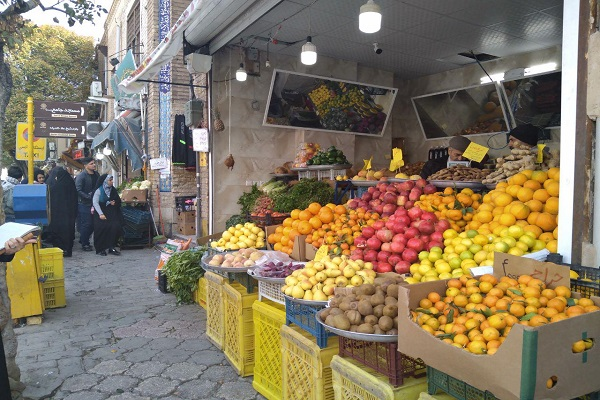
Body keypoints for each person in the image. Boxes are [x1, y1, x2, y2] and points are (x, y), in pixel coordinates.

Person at [420, 136, 489, 179]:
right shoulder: (432, 165)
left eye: (464, 155)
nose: (460, 158)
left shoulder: (474, 166)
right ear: (449, 151)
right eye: (457, 155)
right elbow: (422, 182)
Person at [47, 166, 78, 257]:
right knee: (68, 231)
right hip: (69, 214)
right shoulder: (69, 182)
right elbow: (74, 198)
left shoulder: (51, 184)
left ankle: (58, 250)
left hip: (55, 214)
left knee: (57, 231)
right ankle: (67, 250)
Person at [92, 174, 123, 256]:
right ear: (105, 181)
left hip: (111, 213)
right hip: (100, 212)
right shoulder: (99, 190)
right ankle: (101, 248)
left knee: (114, 228)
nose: (112, 182)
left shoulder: (113, 190)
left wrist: (114, 203)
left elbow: (117, 200)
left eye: (112, 180)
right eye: (110, 180)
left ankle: (111, 247)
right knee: (101, 229)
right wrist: (101, 214)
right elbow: (95, 202)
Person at [75, 158, 99, 251]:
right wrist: (88, 197)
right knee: (87, 224)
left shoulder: (96, 174)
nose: (94, 165)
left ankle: (83, 239)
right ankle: (85, 243)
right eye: (91, 163)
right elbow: (78, 190)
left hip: (95, 203)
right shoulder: (81, 176)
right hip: (84, 203)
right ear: (85, 165)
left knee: (93, 224)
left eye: (94, 163)